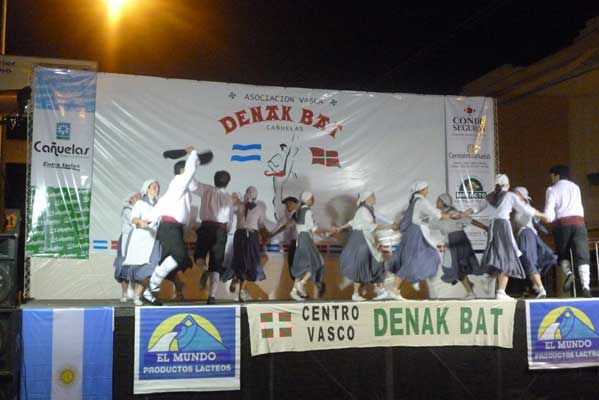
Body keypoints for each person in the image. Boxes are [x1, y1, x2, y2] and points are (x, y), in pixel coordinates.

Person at [388, 181, 466, 300]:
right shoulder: (421, 201)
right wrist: (455, 216)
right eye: (427, 189)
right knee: (412, 261)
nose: (428, 191)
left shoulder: (415, 202)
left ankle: (416, 280)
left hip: (416, 233)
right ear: (422, 189)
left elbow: (427, 218)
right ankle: (395, 289)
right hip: (416, 234)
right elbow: (437, 214)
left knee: (431, 256)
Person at [478, 174, 548, 300]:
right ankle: (500, 290)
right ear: (508, 185)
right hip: (504, 227)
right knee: (508, 256)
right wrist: (543, 215)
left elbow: (476, 209)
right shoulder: (510, 196)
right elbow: (525, 210)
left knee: (501, 256)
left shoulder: (489, 197)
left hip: (493, 227)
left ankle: (494, 284)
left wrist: (464, 213)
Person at [146, 146, 198, 305]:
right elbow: (189, 172)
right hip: (169, 227)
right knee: (180, 256)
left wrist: (151, 219)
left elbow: (162, 203)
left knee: (165, 261)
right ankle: (151, 287)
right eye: (187, 173)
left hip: (170, 228)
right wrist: (192, 154)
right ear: (182, 171)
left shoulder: (179, 189)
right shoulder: (179, 182)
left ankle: (150, 292)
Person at [337, 191, 398, 301]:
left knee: (369, 263)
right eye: (372, 196)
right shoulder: (363, 210)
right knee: (369, 263)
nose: (375, 198)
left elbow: (352, 222)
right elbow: (372, 226)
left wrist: (341, 228)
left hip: (363, 239)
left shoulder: (367, 210)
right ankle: (377, 290)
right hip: (361, 240)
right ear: (366, 198)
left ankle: (377, 290)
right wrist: (390, 226)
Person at [544, 165, 592, 297]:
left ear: (557, 175)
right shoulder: (576, 187)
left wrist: (544, 218)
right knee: (582, 255)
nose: (551, 179)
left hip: (563, 225)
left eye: (552, 176)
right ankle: (586, 287)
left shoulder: (552, 189)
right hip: (580, 224)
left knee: (563, 254)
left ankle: (569, 274)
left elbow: (549, 213)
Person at [435, 193, 487, 299]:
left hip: (457, 241)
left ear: (443, 202)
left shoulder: (453, 213)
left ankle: (483, 281)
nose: (436, 202)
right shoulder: (440, 214)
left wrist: (486, 228)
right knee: (458, 268)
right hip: (453, 241)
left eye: (438, 200)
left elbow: (471, 220)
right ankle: (471, 292)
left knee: (455, 267)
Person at [194, 170, 234, 305]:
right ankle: (212, 296)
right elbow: (229, 221)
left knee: (199, 256)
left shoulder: (206, 189)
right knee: (216, 264)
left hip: (206, 227)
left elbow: (193, 184)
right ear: (227, 183)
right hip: (221, 230)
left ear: (214, 179)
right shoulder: (228, 198)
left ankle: (205, 270)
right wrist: (225, 232)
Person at [222, 186, 268, 302]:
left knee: (240, 260)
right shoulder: (257, 209)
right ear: (256, 197)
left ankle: (236, 279)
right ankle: (241, 291)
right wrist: (267, 235)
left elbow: (229, 211)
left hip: (240, 236)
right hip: (250, 238)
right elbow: (261, 226)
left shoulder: (239, 206)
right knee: (249, 263)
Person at [289, 191, 335, 301]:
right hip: (305, 239)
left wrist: (325, 234)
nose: (313, 200)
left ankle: (295, 291)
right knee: (316, 263)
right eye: (312, 198)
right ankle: (302, 283)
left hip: (301, 239)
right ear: (308, 199)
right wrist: (329, 229)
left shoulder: (299, 210)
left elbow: (310, 228)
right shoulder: (308, 211)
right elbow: (314, 229)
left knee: (302, 266)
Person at [123, 180, 162, 306]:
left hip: (155, 240)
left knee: (152, 267)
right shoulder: (140, 203)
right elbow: (133, 218)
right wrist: (140, 222)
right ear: (147, 189)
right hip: (141, 240)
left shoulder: (159, 205)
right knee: (138, 267)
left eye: (158, 187)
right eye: (154, 187)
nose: (157, 189)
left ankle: (139, 294)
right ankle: (135, 291)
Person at [513, 186, 556, 299]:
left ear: (520, 196)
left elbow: (535, 213)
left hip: (526, 234)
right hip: (526, 235)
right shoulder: (519, 207)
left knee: (529, 260)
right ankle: (535, 284)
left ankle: (540, 287)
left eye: (515, 193)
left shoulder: (524, 207)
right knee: (527, 261)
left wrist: (545, 216)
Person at [113, 191, 141, 302]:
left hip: (137, 241)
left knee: (137, 266)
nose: (139, 198)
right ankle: (124, 294)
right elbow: (135, 223)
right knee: (124, 265)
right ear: (130, 199)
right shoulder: (127, 210)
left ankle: (135, 293)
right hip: (126, 241)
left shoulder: (141, 211)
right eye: (136, 197)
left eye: (140, 197)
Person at [269, 196, 299, 279]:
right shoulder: (286, 217)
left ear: (296, 204)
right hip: (293, 244)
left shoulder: (298, 214)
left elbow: (286, 226)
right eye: (286, 204)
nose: (288, 206)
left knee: (294, 268)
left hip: (298, 243)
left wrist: (273, 234)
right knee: (292, 268)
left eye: (289, 204)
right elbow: (281, 227)